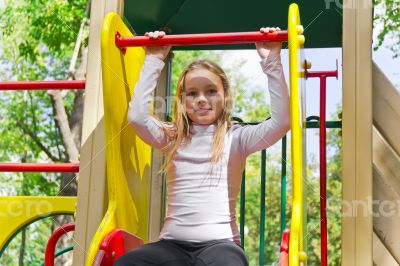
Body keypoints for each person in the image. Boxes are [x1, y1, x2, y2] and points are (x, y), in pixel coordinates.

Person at [115, 27, 290, 266]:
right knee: (126, 263)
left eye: (211, 91)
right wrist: (154, 60)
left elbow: (281, 122)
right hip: (171, 245)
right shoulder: (172, 138)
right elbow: (136, 117)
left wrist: (271, 61)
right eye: (192, 93)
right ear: (182, 100)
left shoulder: (236, 138)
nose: (201, 99)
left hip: (221, 245)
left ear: (225, 97)